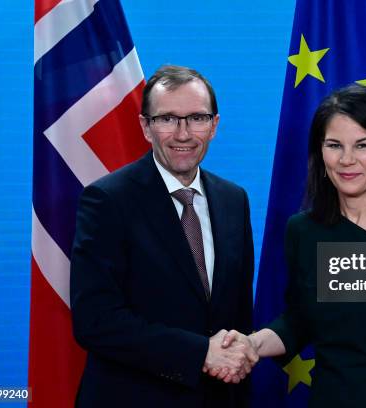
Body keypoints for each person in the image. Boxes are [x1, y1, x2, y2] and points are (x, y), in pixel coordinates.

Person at [218, 85, 366, 407]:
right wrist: (252, 344)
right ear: (320, 152)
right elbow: (300, 320)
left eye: (362, 145)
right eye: (334, 145)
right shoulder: (302, 231)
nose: (347, 160)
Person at [70, 65, 257, 407]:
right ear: (146, 126)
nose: (183, 134)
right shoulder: (108, 200)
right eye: (168, 119)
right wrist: (200, 353)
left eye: (197, 118)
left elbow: (238, 313)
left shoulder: (234, 200)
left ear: (214, 126)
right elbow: (95, 321)